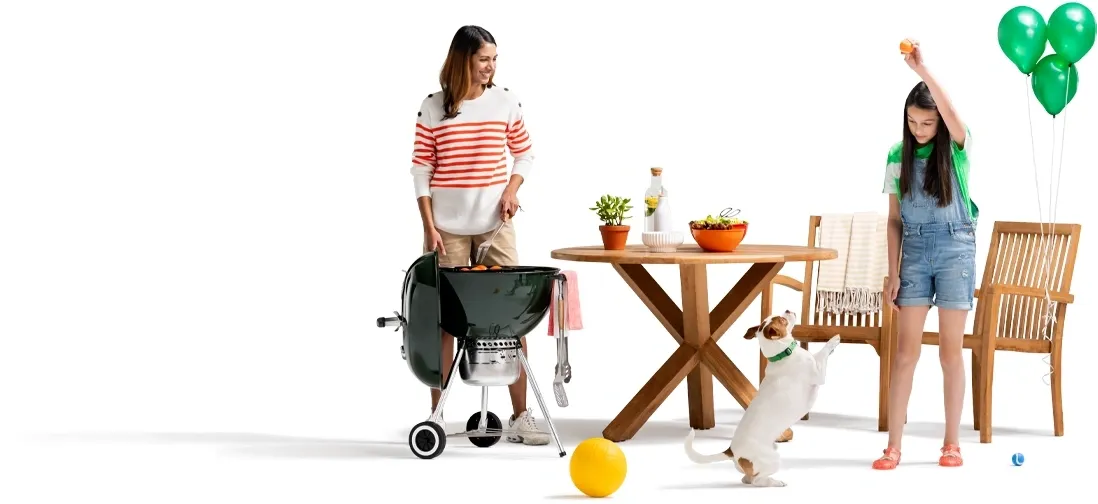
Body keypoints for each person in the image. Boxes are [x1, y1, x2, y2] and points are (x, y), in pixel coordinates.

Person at [407, 25, 548, 446]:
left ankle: (520, 416)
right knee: (443, 323)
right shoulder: (432, 108)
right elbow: (421, 170)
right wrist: (428, 225)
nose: (491, 67)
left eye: (494, 59)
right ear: (462, 60)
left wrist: (511, 191)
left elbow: (524, 152)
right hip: (445, 229)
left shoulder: (505, 102)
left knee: (513, 318)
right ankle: (436, 415)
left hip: (495, 226)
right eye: (484, 59)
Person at [875, 39, 978, 470]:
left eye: (927, 123)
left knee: (950, 352)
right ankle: (893, 445)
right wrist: (892, 271)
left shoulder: (955, 148)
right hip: (914, 251)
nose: (919, 130)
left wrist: (923, 71)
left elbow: (953, 114)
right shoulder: (896, 157)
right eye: (913, 122)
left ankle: (951, 442)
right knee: (905, 352)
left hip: (956, 248)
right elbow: (895, 219)